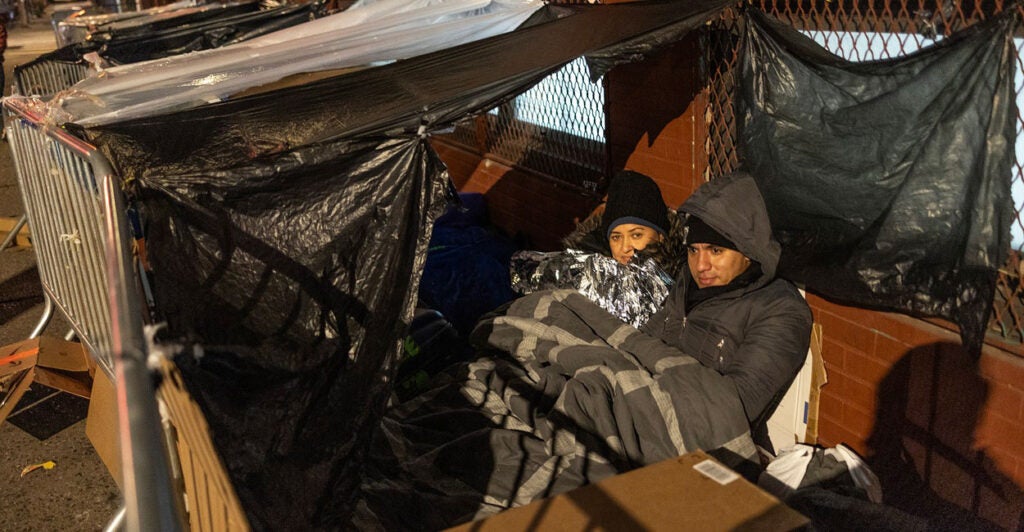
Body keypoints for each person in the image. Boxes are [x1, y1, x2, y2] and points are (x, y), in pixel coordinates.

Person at [642, 171, 813, 451]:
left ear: (748, 252)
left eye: (715, 251)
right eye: (694, 250)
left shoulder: (780, 311)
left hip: (706, 449)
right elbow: (644, 340)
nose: (701, 265)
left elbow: (734, 407)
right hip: (647, 416)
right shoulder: (687, 282)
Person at [510, 169, 684, 327]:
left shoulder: (683, 278)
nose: (625, 247)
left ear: (660, 235)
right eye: (616, 237)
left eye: (636, 235)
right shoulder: (586, 274)